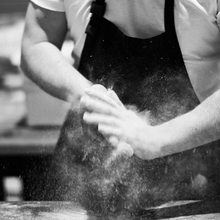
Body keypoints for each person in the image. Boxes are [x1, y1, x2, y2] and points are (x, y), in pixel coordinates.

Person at [21, 0, 220, 215]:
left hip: (195, 183)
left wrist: (153, 139)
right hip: (88, 176)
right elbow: (37, 43)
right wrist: (94, 99)